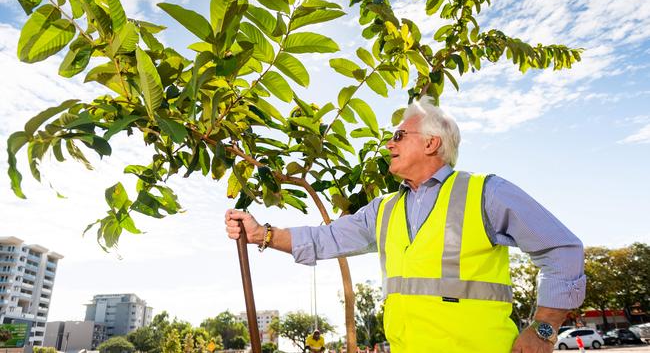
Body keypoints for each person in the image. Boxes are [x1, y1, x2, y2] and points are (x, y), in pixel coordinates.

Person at [225, 98, 586, 353]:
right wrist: (263, 235)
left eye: (399, 136)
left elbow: (562, 249)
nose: (388, 144)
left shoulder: (485, 193)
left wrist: (543, 329)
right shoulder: (384, 208)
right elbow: (327, 238)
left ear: (432, 143)